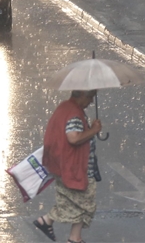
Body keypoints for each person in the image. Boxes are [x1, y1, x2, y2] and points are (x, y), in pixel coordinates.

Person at [34, 89, 102, 243]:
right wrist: (93, 130)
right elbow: (73, 138)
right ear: (82, 94)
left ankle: (74, 237)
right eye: (91, 96)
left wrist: (91, 129)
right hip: (76, 167)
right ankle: (47, 221)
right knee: (83, 203)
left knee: (75, 202)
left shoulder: (66, 107)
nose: (91, 101)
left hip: (67, 165)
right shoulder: (74, 113)